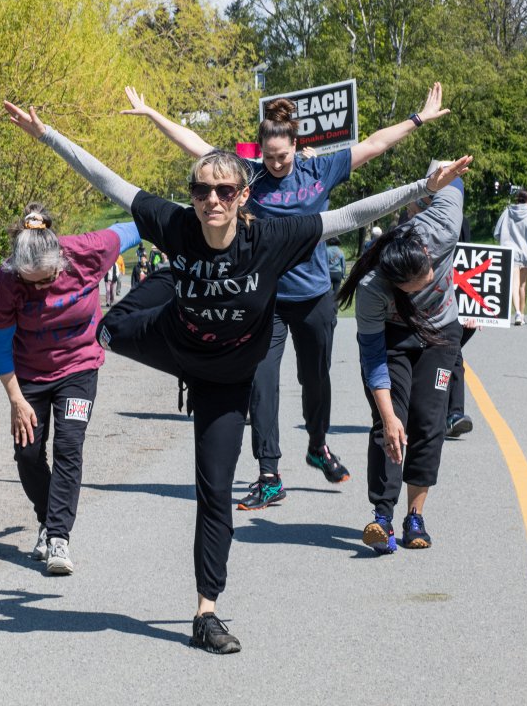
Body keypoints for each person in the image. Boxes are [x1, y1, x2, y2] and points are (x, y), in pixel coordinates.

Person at [3, 98, 469, 654]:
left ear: (243, 195)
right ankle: (128, 317)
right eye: (203, 191)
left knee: (214, 491)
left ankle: (206, 612)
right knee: (113, 328)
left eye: (225, 191)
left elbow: (352, 215)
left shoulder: (271, 238)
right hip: (172, 342)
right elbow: (110, 181)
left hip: (225, 380)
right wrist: (48, 133)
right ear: (193, 196)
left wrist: (424, 187)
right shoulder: (176, 223)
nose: (213, 200)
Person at [121, 83, 452, 510]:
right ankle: (269, 472)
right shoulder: (250, 175)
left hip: (315, 295)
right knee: (262, 381)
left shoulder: (319, 171)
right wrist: (153, 115)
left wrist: (417, 119)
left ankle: (317, 444)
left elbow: (373, 145)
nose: (276, 164)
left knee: (315, 380)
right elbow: (199, 147)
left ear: (297, 145)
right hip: (266, 299)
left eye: (284, 156)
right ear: (259, 151)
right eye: (270, 156)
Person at [0, 204, 140, 575]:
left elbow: (141, 224)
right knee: (27, 453)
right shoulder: (8, 281)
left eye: (47, 279)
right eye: (31, 282)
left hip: (79, 368)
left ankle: (58, 537)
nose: (39, 288)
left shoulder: (90, 250)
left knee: (69, 446)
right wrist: (15, 399)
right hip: (29, 374)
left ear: (61, 259)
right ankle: (45, 518)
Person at [337, 161, 470, 556]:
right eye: (419, 282)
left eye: (429, 269)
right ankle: (381, 516)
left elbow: (448, 179)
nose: (430, 277)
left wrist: (437, 176)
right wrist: (391, 415)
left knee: (429, 422)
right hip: (392, 340)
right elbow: (373, 356)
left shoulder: (442, 228)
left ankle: (415, 516)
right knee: (388, 424)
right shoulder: (372, 289)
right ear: (396, 282)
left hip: (441, 335)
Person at [405, 188, 476, 440]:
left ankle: (454, 414)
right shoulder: (407, 226)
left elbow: (470, 263)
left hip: (451, 304)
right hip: (415, 305)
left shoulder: (458, 222)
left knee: (452, 353)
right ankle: (429, 412)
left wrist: (472, 309)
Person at [494, 188, 527, 326]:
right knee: (522, 285)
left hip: (511, 253)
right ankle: (522, 315)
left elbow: (497, 233)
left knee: (514, 284)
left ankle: (517, 312)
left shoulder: (507, 212)